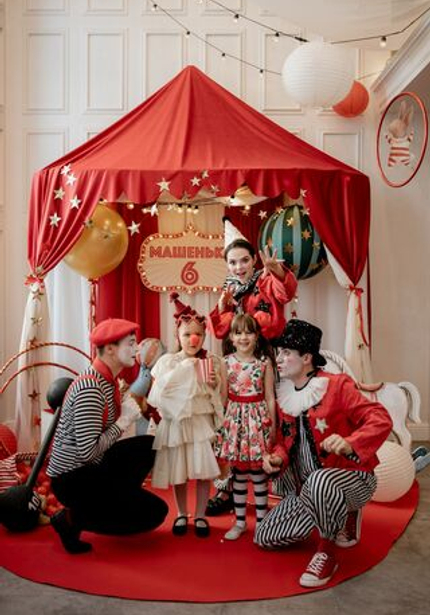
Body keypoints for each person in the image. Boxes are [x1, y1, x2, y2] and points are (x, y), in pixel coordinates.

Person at [255, 319, 393, 588]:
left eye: (286, 353)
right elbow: (284, 442)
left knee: (320, 481)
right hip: (308, 489)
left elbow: (380, 418)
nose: (278, 359)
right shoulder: (285, 395)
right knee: (265, 536)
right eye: (278, 352)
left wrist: (350, 442)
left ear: (306, 358)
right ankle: (330, 513)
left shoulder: (337, 385)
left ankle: (327, 549)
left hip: (351, 478)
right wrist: (277, 458)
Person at [47, 318, 168, 554]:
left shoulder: (106, 380)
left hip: (90, 467)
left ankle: (116, 499)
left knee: (149, 445)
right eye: (131, 344)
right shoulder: (91, 388)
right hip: (72, 479)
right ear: (111, 349)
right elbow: (87, 453)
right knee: (154, 513)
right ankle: (71, 519)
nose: (137, 349)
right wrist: (123, 421)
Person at [206, 217, 298, 516]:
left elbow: (285, 292)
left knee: (273, 417)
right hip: (235, 362)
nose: (239, 267)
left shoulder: (266, 280)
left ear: (254, 260)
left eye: (244, 260)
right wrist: (223, 307)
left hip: (266, 357)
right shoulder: (229, 290)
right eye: (232, 262)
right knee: (237, 427)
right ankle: (228, 488)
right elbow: (221, 330)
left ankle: (279, 481)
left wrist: (277, 271)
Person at [147, 293, 224, 538]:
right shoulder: (168, 362)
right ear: (178, 337)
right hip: (178, 425)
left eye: (199, 334)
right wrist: (181, 369)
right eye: (187, 334)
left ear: (204, 336)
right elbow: (158, 395)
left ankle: (200, 515)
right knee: (179, 471)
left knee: (203, 470)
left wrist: (214, 384)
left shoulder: (212, 362)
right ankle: (181, 513)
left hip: (200, 422)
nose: (193, 339)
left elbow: (219, 399)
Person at [215, 313, 276, 541]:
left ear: (257, 336)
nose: (243, 337)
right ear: (231, 337)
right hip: (235, 422)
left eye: (249, 332)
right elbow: (223, 397)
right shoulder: (225, 362)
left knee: (259, 473)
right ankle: (240, 522)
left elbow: (269, 397)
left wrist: (272, 427)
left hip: (257, 421)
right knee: (239, 473)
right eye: (238, 332)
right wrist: (219, 425)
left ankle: (262, 523)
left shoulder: (264, 363)